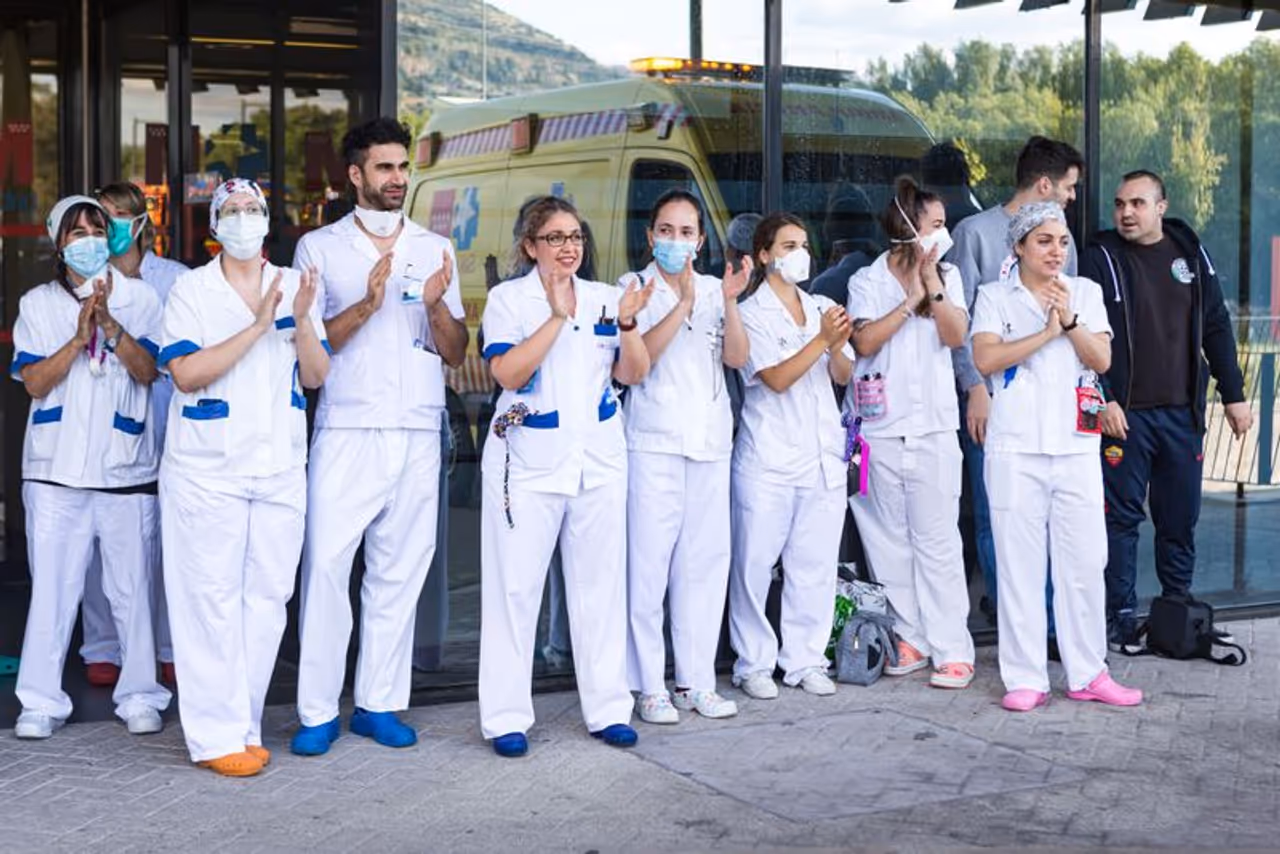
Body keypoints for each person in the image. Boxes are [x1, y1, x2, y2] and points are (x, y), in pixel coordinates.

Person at [290, 118, 467, 755]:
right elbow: (309, 348)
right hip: (347, 427)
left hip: (417, 428)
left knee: (399, 571)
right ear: (356, 175)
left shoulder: (434, 247)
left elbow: (455, 351)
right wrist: (366, 304)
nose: (397, 178)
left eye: (402, 166)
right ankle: (317, 711)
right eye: (384, 167)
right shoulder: (318, 248)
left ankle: (379, 704)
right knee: (327, 568)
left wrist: (437, 306)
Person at [159, 178, 330, 776]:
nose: (242, 217)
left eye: (252, 208)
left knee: (267, 599)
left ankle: (244, 726)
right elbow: (185, 373)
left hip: (278, 465)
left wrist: (300, 321)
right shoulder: (191, 289)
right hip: (207, 469)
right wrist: (258, 326)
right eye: (230, 210)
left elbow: (315, 375)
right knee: (209, 600)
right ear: (214, 225)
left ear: (266, 218)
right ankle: (212, 736)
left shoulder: (294, 284)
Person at [478, 196, 654, 758]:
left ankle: (608, 709)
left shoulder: (605, 298)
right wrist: (555, 316)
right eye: (554, 238)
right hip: (528, 462)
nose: (568, 247)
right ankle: (506, 717)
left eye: (575, 236)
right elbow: (508, 372)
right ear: (530, 246)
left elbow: (634, 372)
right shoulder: (509, 300)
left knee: (600, 587)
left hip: (597, 461)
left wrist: (628, 323)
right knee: (515, 589)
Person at [10, 194, 170, 739]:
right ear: (59, 244)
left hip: (126, 471)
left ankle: (140, 695)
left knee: (133, 593)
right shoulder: (38, 304)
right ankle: (40, 702)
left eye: (97, 230)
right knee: (53, 594)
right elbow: (34, 381)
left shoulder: (142, 298)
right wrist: (80, 339)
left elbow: (148, 372)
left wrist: (111, 328)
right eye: (77, 233)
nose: (90, 241)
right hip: (55, 472)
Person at [971, 202, 1142, 711]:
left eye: (1062, 241)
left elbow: (1101, 358)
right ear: (1020, 246)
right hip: (1015, 448)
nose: (1056, 251)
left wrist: (1067, 321)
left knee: (1085, 562)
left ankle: (1088, 672)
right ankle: (1026, 677)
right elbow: (985, 357)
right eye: (1044, 241)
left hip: (1075, 447)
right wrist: (1044, 334)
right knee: (1020, 565)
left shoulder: (1083, 292)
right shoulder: (994, 296)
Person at [1079, 170, 1252, 651]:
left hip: (1181, 415)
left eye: (1137, 203)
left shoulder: (1189, 253)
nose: (1126, 213)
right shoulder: (1100, 257)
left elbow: (1215, 324)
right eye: (1120, 204)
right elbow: (1084, 338)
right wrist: (1105, 399)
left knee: (1179, 520)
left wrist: (1234, 394)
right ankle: (1120, 618)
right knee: (1121, 522)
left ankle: (1178, 613)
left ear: (1161, 206)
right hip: (1125, 417)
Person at [623, 189, 750, 724]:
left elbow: (737, 358)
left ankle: (694, 681)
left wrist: (730, 303)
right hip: (653, 443)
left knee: (704, 566)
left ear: (700, 241)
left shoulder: (715, 289)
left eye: (686, 232)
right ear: (650, 236)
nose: (676, 241)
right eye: (666, 231)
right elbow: (639, 362)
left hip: (708, 444)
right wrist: (680, 307)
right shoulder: (632, 288)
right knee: (649, 567)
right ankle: (648, 685)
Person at [947, 135, 1084, 623]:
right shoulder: (974, 233)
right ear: (1044, 184)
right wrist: (974, 389)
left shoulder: (1062, 240)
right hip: (992, 395)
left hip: (1052, 405)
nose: (1072, 197)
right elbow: (959, 320)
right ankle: (1019, 621)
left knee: (1050, 520)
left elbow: (1073, 318)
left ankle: (1051, 621)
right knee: (996, 515)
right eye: (1068, 187)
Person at [846, 177, 975, 689]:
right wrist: (908, 301)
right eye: (935, 225)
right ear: (907, 227)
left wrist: (931, 284)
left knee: (937, 540)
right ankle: (911, 638)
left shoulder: (950, 275)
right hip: (878, 429)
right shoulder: (867, 279)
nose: (944, 233)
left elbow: (956, 334)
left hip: (934, 428)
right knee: (887, 540)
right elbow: (864, 343)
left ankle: (952, 647)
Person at [728, 213, 853, 700]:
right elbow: (776, 379)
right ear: (763, 255)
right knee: (754, 566)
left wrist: (836, 346)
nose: (800, 254)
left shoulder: (821, 306)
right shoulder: (750, 312)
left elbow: (842, 375)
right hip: (769, 458)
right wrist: (821, 340)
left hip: (821, 455)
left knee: (814, 566)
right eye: (787, 246)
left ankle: (805, 659)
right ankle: (753, 663)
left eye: (803, 245)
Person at [77, 181, 189, 689]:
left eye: (121, 215)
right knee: (103, 538)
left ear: (142, 221)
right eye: (103, 216)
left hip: (167, 415)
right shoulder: (85, 279)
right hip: (104, 416)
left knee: (168, 538)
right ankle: (104, 644)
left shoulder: (177, 279)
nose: (112, 226)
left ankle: (169, 645)